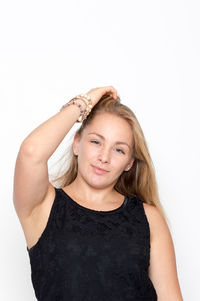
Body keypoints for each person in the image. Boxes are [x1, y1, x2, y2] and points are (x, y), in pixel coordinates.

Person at [13, 86, 183, 300]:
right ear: (77, 144)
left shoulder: (149, 218)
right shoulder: (43, 207)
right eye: (96, 142)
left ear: (129, 163)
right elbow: (31, 152)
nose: (104, 157)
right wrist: (85, 102)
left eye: (118, 149)